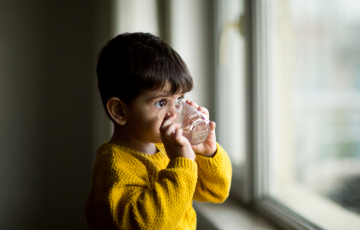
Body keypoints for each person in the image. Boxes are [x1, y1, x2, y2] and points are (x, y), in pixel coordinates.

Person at [84, 32, 232, 230]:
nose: (176, 112)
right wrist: (182, 165)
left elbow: (216, 191)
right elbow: (149, 223)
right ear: (120, 111)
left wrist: (206, 153)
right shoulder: (113, 169)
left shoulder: (166, 149)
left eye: (179, 99)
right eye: (161, 102)